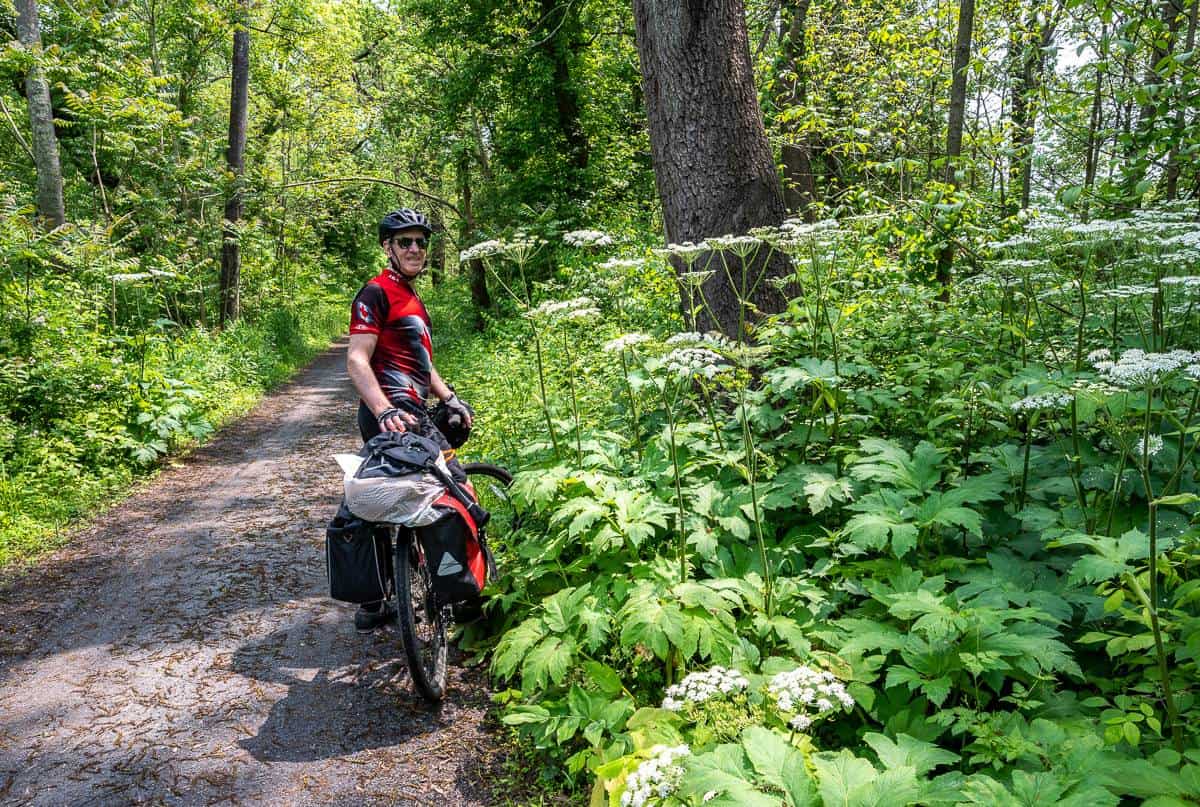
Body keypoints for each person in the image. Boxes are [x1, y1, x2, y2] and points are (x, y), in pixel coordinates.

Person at [346, 207, 474, 632]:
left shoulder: (413, 298)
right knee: (457, 486)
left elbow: (422, 364)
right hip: (392, 414)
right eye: (405, 241)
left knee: (406, 496)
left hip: (417, 412)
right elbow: (357, 359)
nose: (415, 248)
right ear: (388, 248)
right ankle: (464, 596)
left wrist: (450, 397)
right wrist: (384, 410)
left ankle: (380, 598)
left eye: (421, 241)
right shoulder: (375, 293)